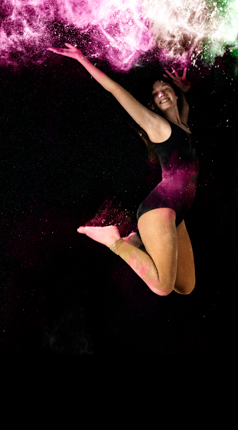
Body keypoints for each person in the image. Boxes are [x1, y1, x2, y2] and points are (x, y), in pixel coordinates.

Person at [49, 44, 197, 296]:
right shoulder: (157, 126)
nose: (161, 93)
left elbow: (183, 105)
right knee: (162, 288)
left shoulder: (182, 124)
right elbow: (115, 90)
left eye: (165, 88)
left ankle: (134, 240)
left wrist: (184, 89)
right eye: (156, 94)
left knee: (185, 286)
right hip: (160, 208)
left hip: (178, 212)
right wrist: (82, 59)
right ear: (151, 105)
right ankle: (114, 240)